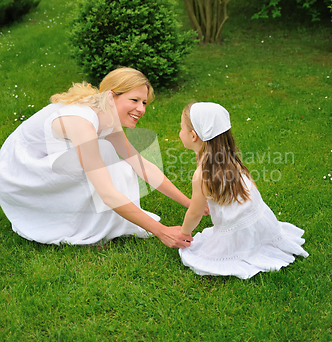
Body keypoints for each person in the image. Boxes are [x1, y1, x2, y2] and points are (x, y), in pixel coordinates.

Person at [0, 67, 193, 248]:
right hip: (20, 174)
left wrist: (190, 203)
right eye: (134, 100)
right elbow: (107, 193)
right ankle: (83, 225)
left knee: (112, 157)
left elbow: (141, 165)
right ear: (111, 96)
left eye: (144, 103)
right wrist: (162, 231)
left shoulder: (107, 117)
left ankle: (103, 220)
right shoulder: (81, 123)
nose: (141, 109)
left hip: (47, 160)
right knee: (105, 154)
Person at [178, 102, 309, 279]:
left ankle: (243, 244)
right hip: (260, 221)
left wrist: (184, 233)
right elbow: (251, 186)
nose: (179, 133)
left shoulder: (202, 174)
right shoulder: (230, 160)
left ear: (193, 136)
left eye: (181, 129)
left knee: (204, 255)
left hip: (238, 230)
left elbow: (195, 212)